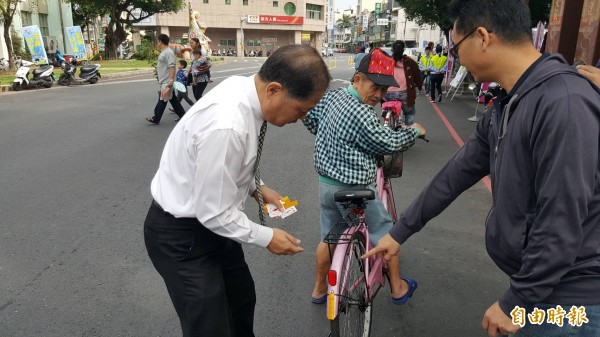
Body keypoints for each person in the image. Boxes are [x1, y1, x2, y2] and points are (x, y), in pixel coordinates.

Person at [364, 1, 600, 337]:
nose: (456, 56)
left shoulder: (562, 102)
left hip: (567, 299)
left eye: (456, 47)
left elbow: (560, 222)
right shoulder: (509, 102)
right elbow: (457, 172)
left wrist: (517, 300)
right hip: (540, 286)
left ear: (483, 38)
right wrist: (400, 232)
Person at [144, 45, 331, 337]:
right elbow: (213, 211)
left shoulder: (245, 90)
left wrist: (258, 188)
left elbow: (225, 169)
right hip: (182, 237)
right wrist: (267, 236)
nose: (301, 119)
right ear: (274, 90)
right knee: (211, 326)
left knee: (241, 300)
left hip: (213, 226)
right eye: (301, 109)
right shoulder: (227, 125)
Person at [303, 48, 426, 306]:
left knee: (330, 237)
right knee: (386, 234)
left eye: (384, 90)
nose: (379, 95)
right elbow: (387, 143)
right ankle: (398, 288)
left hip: (326, 187)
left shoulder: (332, 97)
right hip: (356, 191)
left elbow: (312, 121)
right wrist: (413, 132)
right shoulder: (361, 114)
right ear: (358, 78)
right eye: (375, 86)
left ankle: (318, 289)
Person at [146, 34, 186, 125]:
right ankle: (183, 115)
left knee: (163, 99)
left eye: (157, 41)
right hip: (165, 80)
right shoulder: (164, 52)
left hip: (167, 81)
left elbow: (172, 67)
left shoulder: (168, 52)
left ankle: (156, 118)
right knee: (173, 99)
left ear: (160, 41)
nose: (157, 43)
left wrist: (171, 80)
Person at [384, 40, 422, 126]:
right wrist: (419, 86)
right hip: (404, 94)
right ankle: (409, 133)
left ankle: (386, 114)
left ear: (392, 49)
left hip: (387, 94)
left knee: (387, 105)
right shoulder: (409, 61)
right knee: (409, 113)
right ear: (403, 49)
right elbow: (417, 76)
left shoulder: (387, 61)